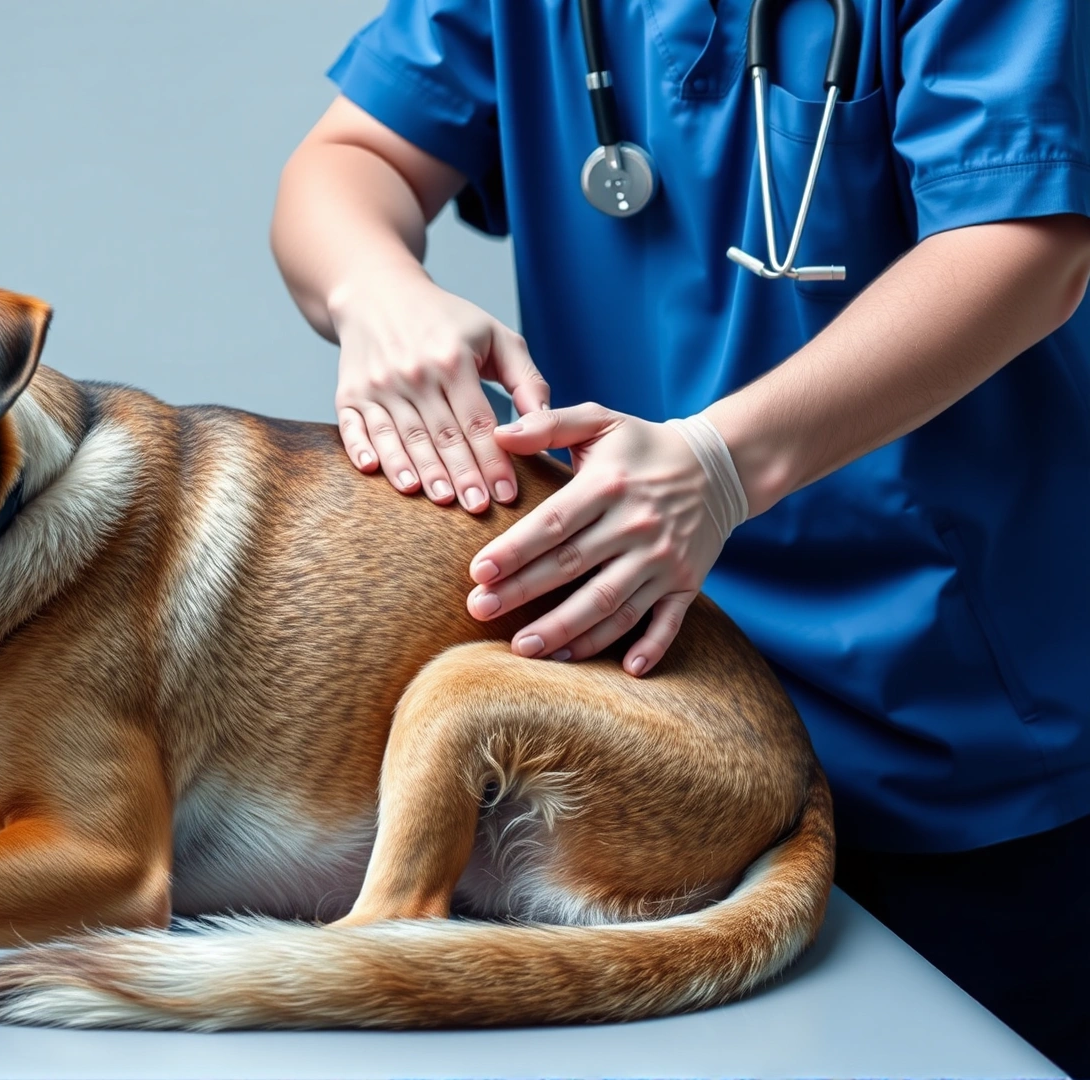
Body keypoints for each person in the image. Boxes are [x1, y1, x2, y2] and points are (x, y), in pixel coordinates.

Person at [272, 0, 1090, 1072]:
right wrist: (374, 287)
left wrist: (722, 465)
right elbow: (354, 153)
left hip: (942, 730)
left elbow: (1027, 244)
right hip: (635, 715)